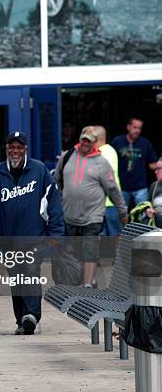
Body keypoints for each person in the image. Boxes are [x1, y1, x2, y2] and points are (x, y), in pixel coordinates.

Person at [0, 131, 64, 335]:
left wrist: (56, 233)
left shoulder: (39, 171)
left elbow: (54, 204)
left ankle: (31, 315)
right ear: (7, 149)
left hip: (34, 235)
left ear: (25, 150)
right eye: (11, 147)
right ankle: (22, 319)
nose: (15, 151)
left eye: (19, 147)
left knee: (30, 272)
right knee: (16, 277)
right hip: (8, 239)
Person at [56, 127, 127, 288]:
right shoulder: (67, 157)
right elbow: (57, 180)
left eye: (89, 141)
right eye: (84, 140)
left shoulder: (101, 162)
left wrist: (122, 211)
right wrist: (61, 200)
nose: (85, 144)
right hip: (70, 215)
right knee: (77, 250)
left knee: (89, 248)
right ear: (80, 139)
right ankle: (87, 279)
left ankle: (87, 284)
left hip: (93, 215)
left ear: (95, 143)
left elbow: (113, 189)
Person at [110, 116, 158, 209]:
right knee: (121, 216)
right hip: (121, 187)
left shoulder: (145, 143)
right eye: (134, 127)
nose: (137, 130)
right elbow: (109, 160)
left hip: (140, 187)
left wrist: (159, 166)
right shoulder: (117, 141)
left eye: (139, 128)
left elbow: (152, 164)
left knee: (143, 215)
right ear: (128, 127)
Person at [92, 126, 123, 237]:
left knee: (114, 235)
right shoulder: (108, 151)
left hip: (109, 203)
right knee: (106, 236)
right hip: (105, 203)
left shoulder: (104, 152)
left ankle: (118, 255)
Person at [145, 158, 162, 228]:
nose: (155, 172)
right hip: (157, 231)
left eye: (158, 168)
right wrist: (148, 211)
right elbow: (148, 206)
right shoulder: (154, 186)